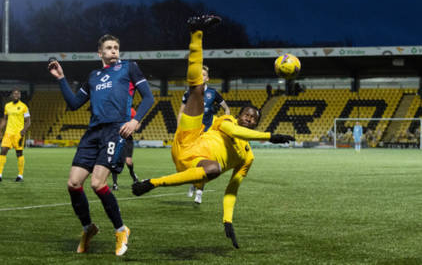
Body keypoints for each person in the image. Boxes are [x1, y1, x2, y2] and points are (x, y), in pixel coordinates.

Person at [132, 15, 294, 249]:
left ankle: (152, 182)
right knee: (197, 89)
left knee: (213, 169)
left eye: (253, 118)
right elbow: (237, 131)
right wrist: (270, 137)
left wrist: (227, 219)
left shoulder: (248, 157)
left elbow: (232, 189)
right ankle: (196, 32)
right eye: (246, 115)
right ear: (239, 117)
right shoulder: (225, 121)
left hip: (196, 165)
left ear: (256, 124)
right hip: (187, 139)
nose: (248, 118)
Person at [48, 34, 154, 256]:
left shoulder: (129, 68)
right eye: (109, 48)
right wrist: (61, 78)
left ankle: (121, 229)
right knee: (73, 184)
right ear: (100, 53)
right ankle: (88, 229)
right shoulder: (94, 76)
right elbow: (75, 103)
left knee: (97, 184)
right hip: (92, 133)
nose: (114, 51)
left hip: (115, 130)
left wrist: (135, 121)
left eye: (116, 47)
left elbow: (148, 98)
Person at [177, 64, 231, 204]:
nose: (201, 77)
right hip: (191, 134)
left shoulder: (213, 93)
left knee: (205, 163)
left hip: (206, 134)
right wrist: (179, 130)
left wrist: (226, 121)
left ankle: (199, 192)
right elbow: (181, 112)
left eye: (204, 75)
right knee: (192, 162)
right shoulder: (188, 93)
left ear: (208, 78)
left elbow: (226, 109)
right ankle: (192, 183)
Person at [0, 89, 31, 182]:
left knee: (19, 153)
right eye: (14, 93)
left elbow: (28, 121)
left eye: (18, 93)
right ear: (11, 95)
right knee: (3, 151)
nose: (16, 95)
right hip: (8, 133)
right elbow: (5, 119)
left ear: (20, 96)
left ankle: (20, 175)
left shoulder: (24, 107)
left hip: (18, 134)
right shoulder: (7, 106)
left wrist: (23, 131)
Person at [112, 107, 140, 190]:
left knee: (128, 162)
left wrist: (132, 128)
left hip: (127, 139)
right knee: (114, 160)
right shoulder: (114, 109)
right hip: (116, 138)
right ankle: (115, 184)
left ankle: (134, 176)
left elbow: (138, 124)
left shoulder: (131, 110)